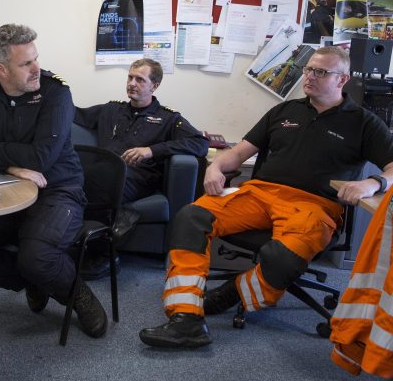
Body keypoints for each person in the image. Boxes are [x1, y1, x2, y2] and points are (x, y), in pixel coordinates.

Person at [139, 46, 393, 349]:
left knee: (280, 258)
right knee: (191, 217)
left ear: (343, 80)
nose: (309, 77)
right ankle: (186, 318)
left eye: (320, 72)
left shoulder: (363, 122)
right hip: (259, 194)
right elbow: (239, 153)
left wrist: (374, 182)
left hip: (313, 206)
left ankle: (235, 291)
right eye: (308, 69)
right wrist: (216, 167)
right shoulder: (284, 111)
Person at [0, 23, 108, 338]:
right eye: (26, 63)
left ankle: (76, 293)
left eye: (36, 58)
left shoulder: (56, 93)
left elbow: (41, 159)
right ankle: (34, 280)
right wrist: (15, 167)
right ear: (1, 69)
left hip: (56, 188)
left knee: (37, 256)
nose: (37, 69)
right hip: (3, 184)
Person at [74, 58, 208, 278]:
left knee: (93, 178)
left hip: (135, 177)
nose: (132, 83)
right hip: (102, 171)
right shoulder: (111, 110)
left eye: (140, 79)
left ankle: (106, 255)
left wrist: (152, 150)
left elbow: (200, 143)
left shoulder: (167, 118)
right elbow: (75, 114)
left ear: (154, 86)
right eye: (130, 77)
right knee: (79, 174)